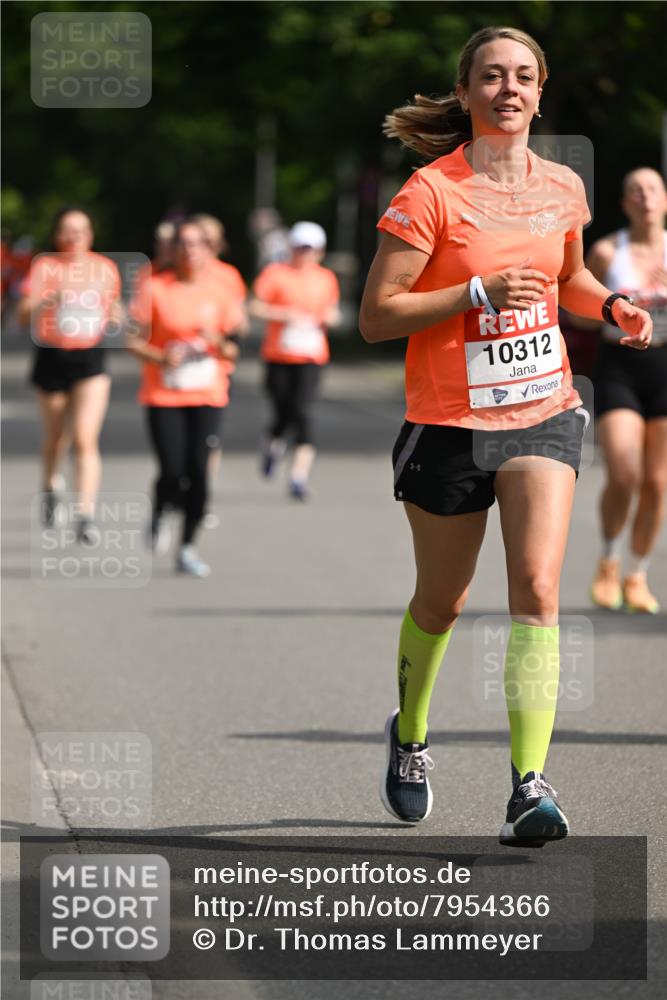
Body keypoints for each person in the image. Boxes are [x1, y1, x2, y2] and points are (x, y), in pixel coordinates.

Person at [360, 26, 652, 844]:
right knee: (442, 602)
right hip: (447, 423)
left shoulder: (562, 186)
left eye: (522, 76)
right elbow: (377, 317)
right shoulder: (429, 193)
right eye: (491, 76)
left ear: (539, 88)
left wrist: (611, 305)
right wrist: (473, 291)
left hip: (541, 409)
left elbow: (571, 278)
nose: (508, 89)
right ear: (465, 93)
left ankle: (529, 786)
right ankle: (409, 735)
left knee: (536, 590)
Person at [125, 218, 240, 577]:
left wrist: (216, 341)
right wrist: (160, 357)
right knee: (172, 470)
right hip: (164, 393)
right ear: (174, 250)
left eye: (198, 243)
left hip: (208, 392)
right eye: (184, 244)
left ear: (210, 249)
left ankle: (187, 546)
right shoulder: (155, 287)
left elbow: (233, 350)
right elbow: (131, 340)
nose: (190, 249)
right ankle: (160, 510)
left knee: (200, 474)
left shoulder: (221, 289)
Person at [585, 169, 667, 613]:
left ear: (665, 200)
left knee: (657, 483)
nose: (645, 197)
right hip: (619, 368)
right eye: (635, 189)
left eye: (653, 189)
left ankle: (637, 574)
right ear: (625, 204)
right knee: (624, 472)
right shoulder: (605, 251)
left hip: (665, 368)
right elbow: (577, 312)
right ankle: (609, 562)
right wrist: (619, 310)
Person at [18, 207, 122, 541]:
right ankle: (50, 485)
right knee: (56, 437)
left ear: (91, 235)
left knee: (85, 437)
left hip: (89, 357)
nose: (74, 237)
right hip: (52, 354)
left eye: (81, 230)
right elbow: (22, 317)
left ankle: (85, 514)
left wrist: (119, 317)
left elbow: (116, 310)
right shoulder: (45, 267)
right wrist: (50, 300)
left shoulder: (104, 269)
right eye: (67, 230)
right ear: (57, 235)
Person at [249, 221, 341, 499]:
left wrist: (328, 318)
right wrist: (283, 314)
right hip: (278, 354)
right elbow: (254, 306)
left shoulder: (326, 278)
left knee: (302, 412)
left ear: (320, 252)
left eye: (311, 249)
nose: (305, 253)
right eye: (301, 248)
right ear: (291, 248)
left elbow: (334, 314)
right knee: (282, 412)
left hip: (311, 355)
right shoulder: (275, 274)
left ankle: (298, 477)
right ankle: (272, 446)